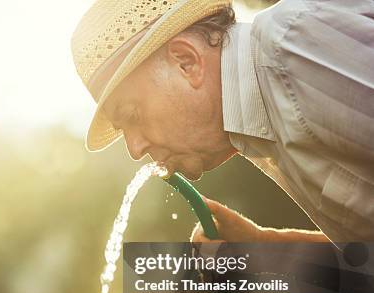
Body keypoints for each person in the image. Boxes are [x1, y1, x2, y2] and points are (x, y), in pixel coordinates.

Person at [71, 0, 374, 243]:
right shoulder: (264, 125)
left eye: (132, 116)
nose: (135, 149)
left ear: (186, 62)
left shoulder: (295, 49)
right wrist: (264, 246)